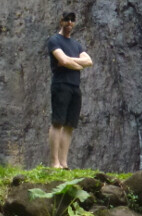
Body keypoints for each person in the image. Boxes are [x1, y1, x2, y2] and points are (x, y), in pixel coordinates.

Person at [47, 10, 93, 169]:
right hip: (61, 85)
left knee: (69, 125)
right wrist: (77, 63)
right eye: (67, 20)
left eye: (72, 20)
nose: (70, 23)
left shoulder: (76, 44)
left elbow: (89, 61)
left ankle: (64, 163)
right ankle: (55, 163)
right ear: (61, 21)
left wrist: (70, 61)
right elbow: (62, 60)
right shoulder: (54, 40)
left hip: (75, 86)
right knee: (58, 122)